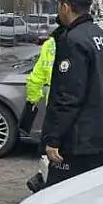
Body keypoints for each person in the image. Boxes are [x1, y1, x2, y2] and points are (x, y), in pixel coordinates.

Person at [41, 0, 103, 188]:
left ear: (65, 6)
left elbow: (69, 95)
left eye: (59, 5)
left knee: (62, 201)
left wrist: (53, 139)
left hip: (81, 144)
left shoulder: (73, 41)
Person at [23, 25, 60, 193]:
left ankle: (43, 178)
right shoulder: (77, 43)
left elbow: (35, 78)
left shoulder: (49, 45)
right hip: (73, 106)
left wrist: (33, 100)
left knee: (50, 148)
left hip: (53, 104)